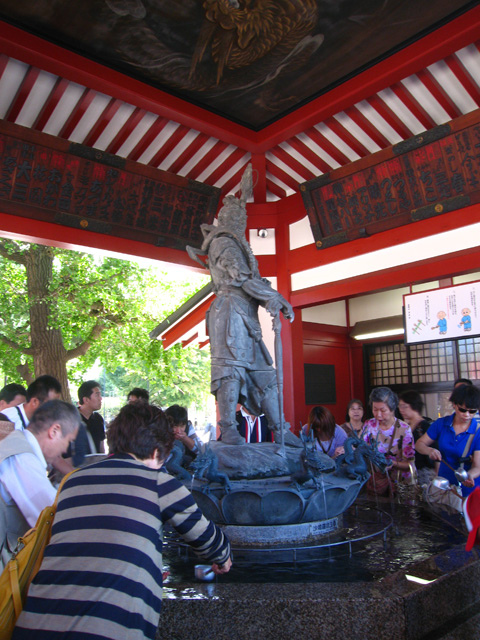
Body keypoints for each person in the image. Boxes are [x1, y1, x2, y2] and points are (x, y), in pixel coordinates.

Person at [13, 402, 232, 640]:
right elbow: (208, 540)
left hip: (33, 626)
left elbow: (94, 544)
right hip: (105, 631)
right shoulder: (159, 483)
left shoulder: (73, 482)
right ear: (157, 452)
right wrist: (223, 558)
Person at [187, 164, 299, 447]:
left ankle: (280, 429)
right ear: (228, 219)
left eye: (241, 216)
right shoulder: (223, 243)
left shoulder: (235, 242)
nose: (241, 221)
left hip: (246, 313)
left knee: (265, 373)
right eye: (237, 216)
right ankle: (229, 429)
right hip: (229, 313)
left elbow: (251, 279)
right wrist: (272, 297)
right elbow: (240, 275)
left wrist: (268, 296)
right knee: (230, 370)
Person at [0, 400, 80, 568]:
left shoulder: (19, 445)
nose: (65, 450)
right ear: (54, 431)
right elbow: (52, 519)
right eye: (68, 441)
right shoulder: (21, 457)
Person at [415, 384, 480, 498]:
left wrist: (469, 476)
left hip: (468, 488)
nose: (467, 415)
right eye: (462, 410)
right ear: (454, 404)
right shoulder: (441, 424)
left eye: (472, 411)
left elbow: (478, 466)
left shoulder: (478, 431)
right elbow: (419, 444)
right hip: (445, 483)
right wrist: (429, 450)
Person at [363, 387, 415, 482]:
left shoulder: (404, 429)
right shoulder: (369, 425)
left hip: (400, 482)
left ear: (392, 409)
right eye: (375, 410)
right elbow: (361, 447)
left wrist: (393, 463)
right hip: (377, 482)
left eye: (383, 411)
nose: (378, 414)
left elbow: (409, 464)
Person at [398, 390, 436, 484]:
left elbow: (435, 450)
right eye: (400, 406)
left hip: (423, 473)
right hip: (405, 472)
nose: (401, 409)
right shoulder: (403, 425)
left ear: (414, 406)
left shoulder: (424, 426)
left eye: (404, 406)